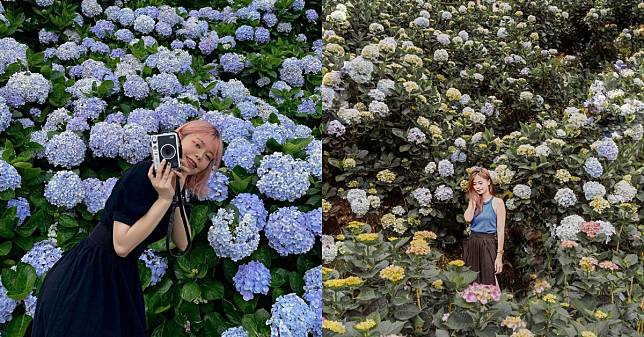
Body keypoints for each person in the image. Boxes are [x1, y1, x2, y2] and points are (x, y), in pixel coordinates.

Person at [31, 120, 224, 337]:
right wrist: (163, 200)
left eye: (208, 157)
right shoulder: (144, 174)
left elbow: (182, 242)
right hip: (90, 275)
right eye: (197, 145)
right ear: (178, 137)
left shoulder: (172, 184)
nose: (200, 156)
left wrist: (176, 195)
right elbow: (121, 245)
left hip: (120, 275)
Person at [462, 166, 506, 288]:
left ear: (489, 182)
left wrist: (499, 256)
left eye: (480, 183)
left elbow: (501, 231)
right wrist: (472, 202)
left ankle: (496, 305)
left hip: (488, 243)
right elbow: (467, 219)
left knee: (491, 281)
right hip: (473, 243)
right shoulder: (474, 201)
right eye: (474, 184)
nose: (478, 187)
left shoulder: (497, 202)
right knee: (472, 283)